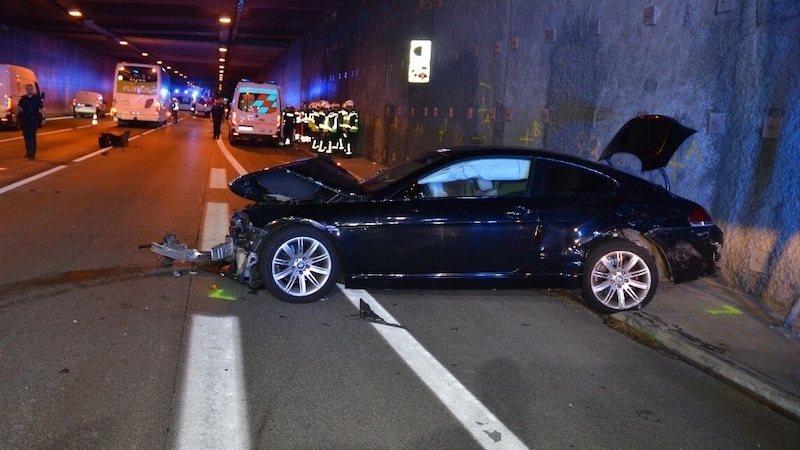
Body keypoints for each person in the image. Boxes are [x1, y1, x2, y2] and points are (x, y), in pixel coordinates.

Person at [17, 84, 44, 159]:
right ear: (26, 90)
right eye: (27, 89)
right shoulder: (23, 99)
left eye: (30, 89)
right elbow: (19, 108)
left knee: (32, 136)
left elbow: (41, 109)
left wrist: (43, 119)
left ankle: (32, 153)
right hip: (25, 120)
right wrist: (17, 117)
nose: (29, 90)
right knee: (26, 136)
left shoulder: (36, 99)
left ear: (32, 90)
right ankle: (28, 152)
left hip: (33, 120)